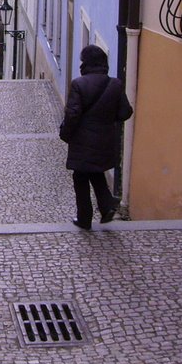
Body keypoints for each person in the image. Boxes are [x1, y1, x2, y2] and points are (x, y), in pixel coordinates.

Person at [58, 45, 133, 230]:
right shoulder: (115, 84)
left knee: (80, 177)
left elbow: (72, 114)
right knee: (95, 172)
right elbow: (125, 112)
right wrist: (106, 119)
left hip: (83, 139)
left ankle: (84, 218)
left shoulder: (79, 84)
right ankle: (107, 206)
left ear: (86, 63)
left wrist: (65, 133)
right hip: (105, 139)